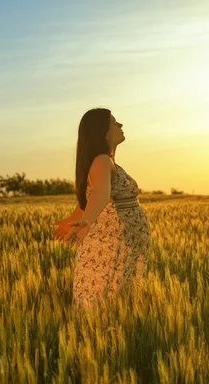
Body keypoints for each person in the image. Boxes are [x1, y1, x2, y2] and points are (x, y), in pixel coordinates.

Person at [53, 108, 151, 311]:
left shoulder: (105, 161)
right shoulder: (102, 161)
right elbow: (99, 193)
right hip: (110, 248)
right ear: (103, 133)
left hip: (122, 247)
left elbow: (87, 198)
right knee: (105, 305)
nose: (120, 125)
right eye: (114, 122)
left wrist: (74, 218)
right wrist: (87, 221)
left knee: (113, 305)